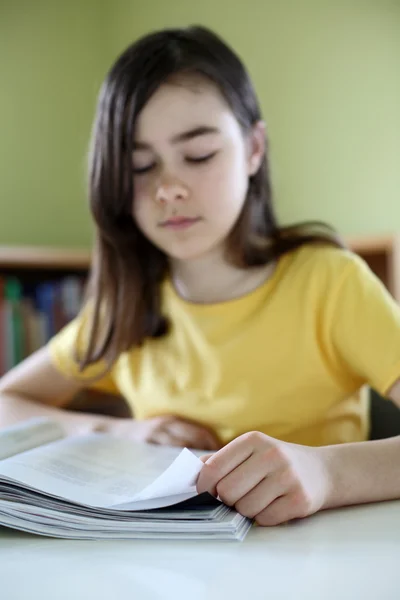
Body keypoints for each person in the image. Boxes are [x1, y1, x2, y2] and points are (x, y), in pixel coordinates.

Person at [1, 25, 400, 527]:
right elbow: (7, 402)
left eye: (199, 155)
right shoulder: (127, 304)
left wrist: (328, 473)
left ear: (254, 148)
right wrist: (122, 433)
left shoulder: (329, 282)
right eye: (141, 165)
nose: (168, 189)